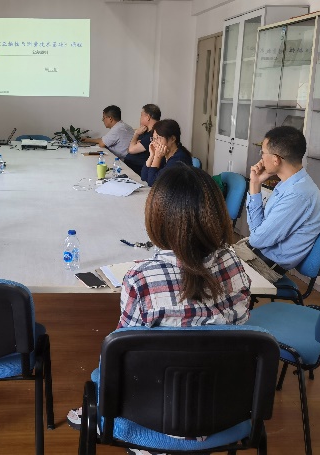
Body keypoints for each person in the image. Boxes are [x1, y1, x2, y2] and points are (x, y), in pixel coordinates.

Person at [67, 164, 251, 430]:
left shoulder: (141, 279)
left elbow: (119, 353)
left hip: (155, 410)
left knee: (108, 358)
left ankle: (133, 435)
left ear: (157, 218)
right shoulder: (234, 264)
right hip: (222, 406)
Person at [246, 125, 320, 270]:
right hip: (254, 253)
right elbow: (257, 233)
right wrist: (255, 184)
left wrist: (256, 234)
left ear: (276, 159)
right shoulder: (288, 183)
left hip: (263, 266)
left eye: (263, 153)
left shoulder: (298, 195)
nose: (261, 158)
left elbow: (257, 240)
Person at [140, 119, 192, 186]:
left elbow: (153, 183)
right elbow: (144, 177)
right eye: (153, 138)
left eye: (158, 138)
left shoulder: (179, 159)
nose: (154, 142)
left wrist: (157, 157)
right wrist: (152, 156)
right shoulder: (165, 153)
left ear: (172, 139)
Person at [124, 103, 161, 176]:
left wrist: (136, 134)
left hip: (137, 171)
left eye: (141, 115)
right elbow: (128, 149)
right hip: (130, 167)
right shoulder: (144, 131)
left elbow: (131, 150)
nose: (140, 118)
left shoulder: (153, 134)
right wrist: (134, 144)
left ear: (148, 117)